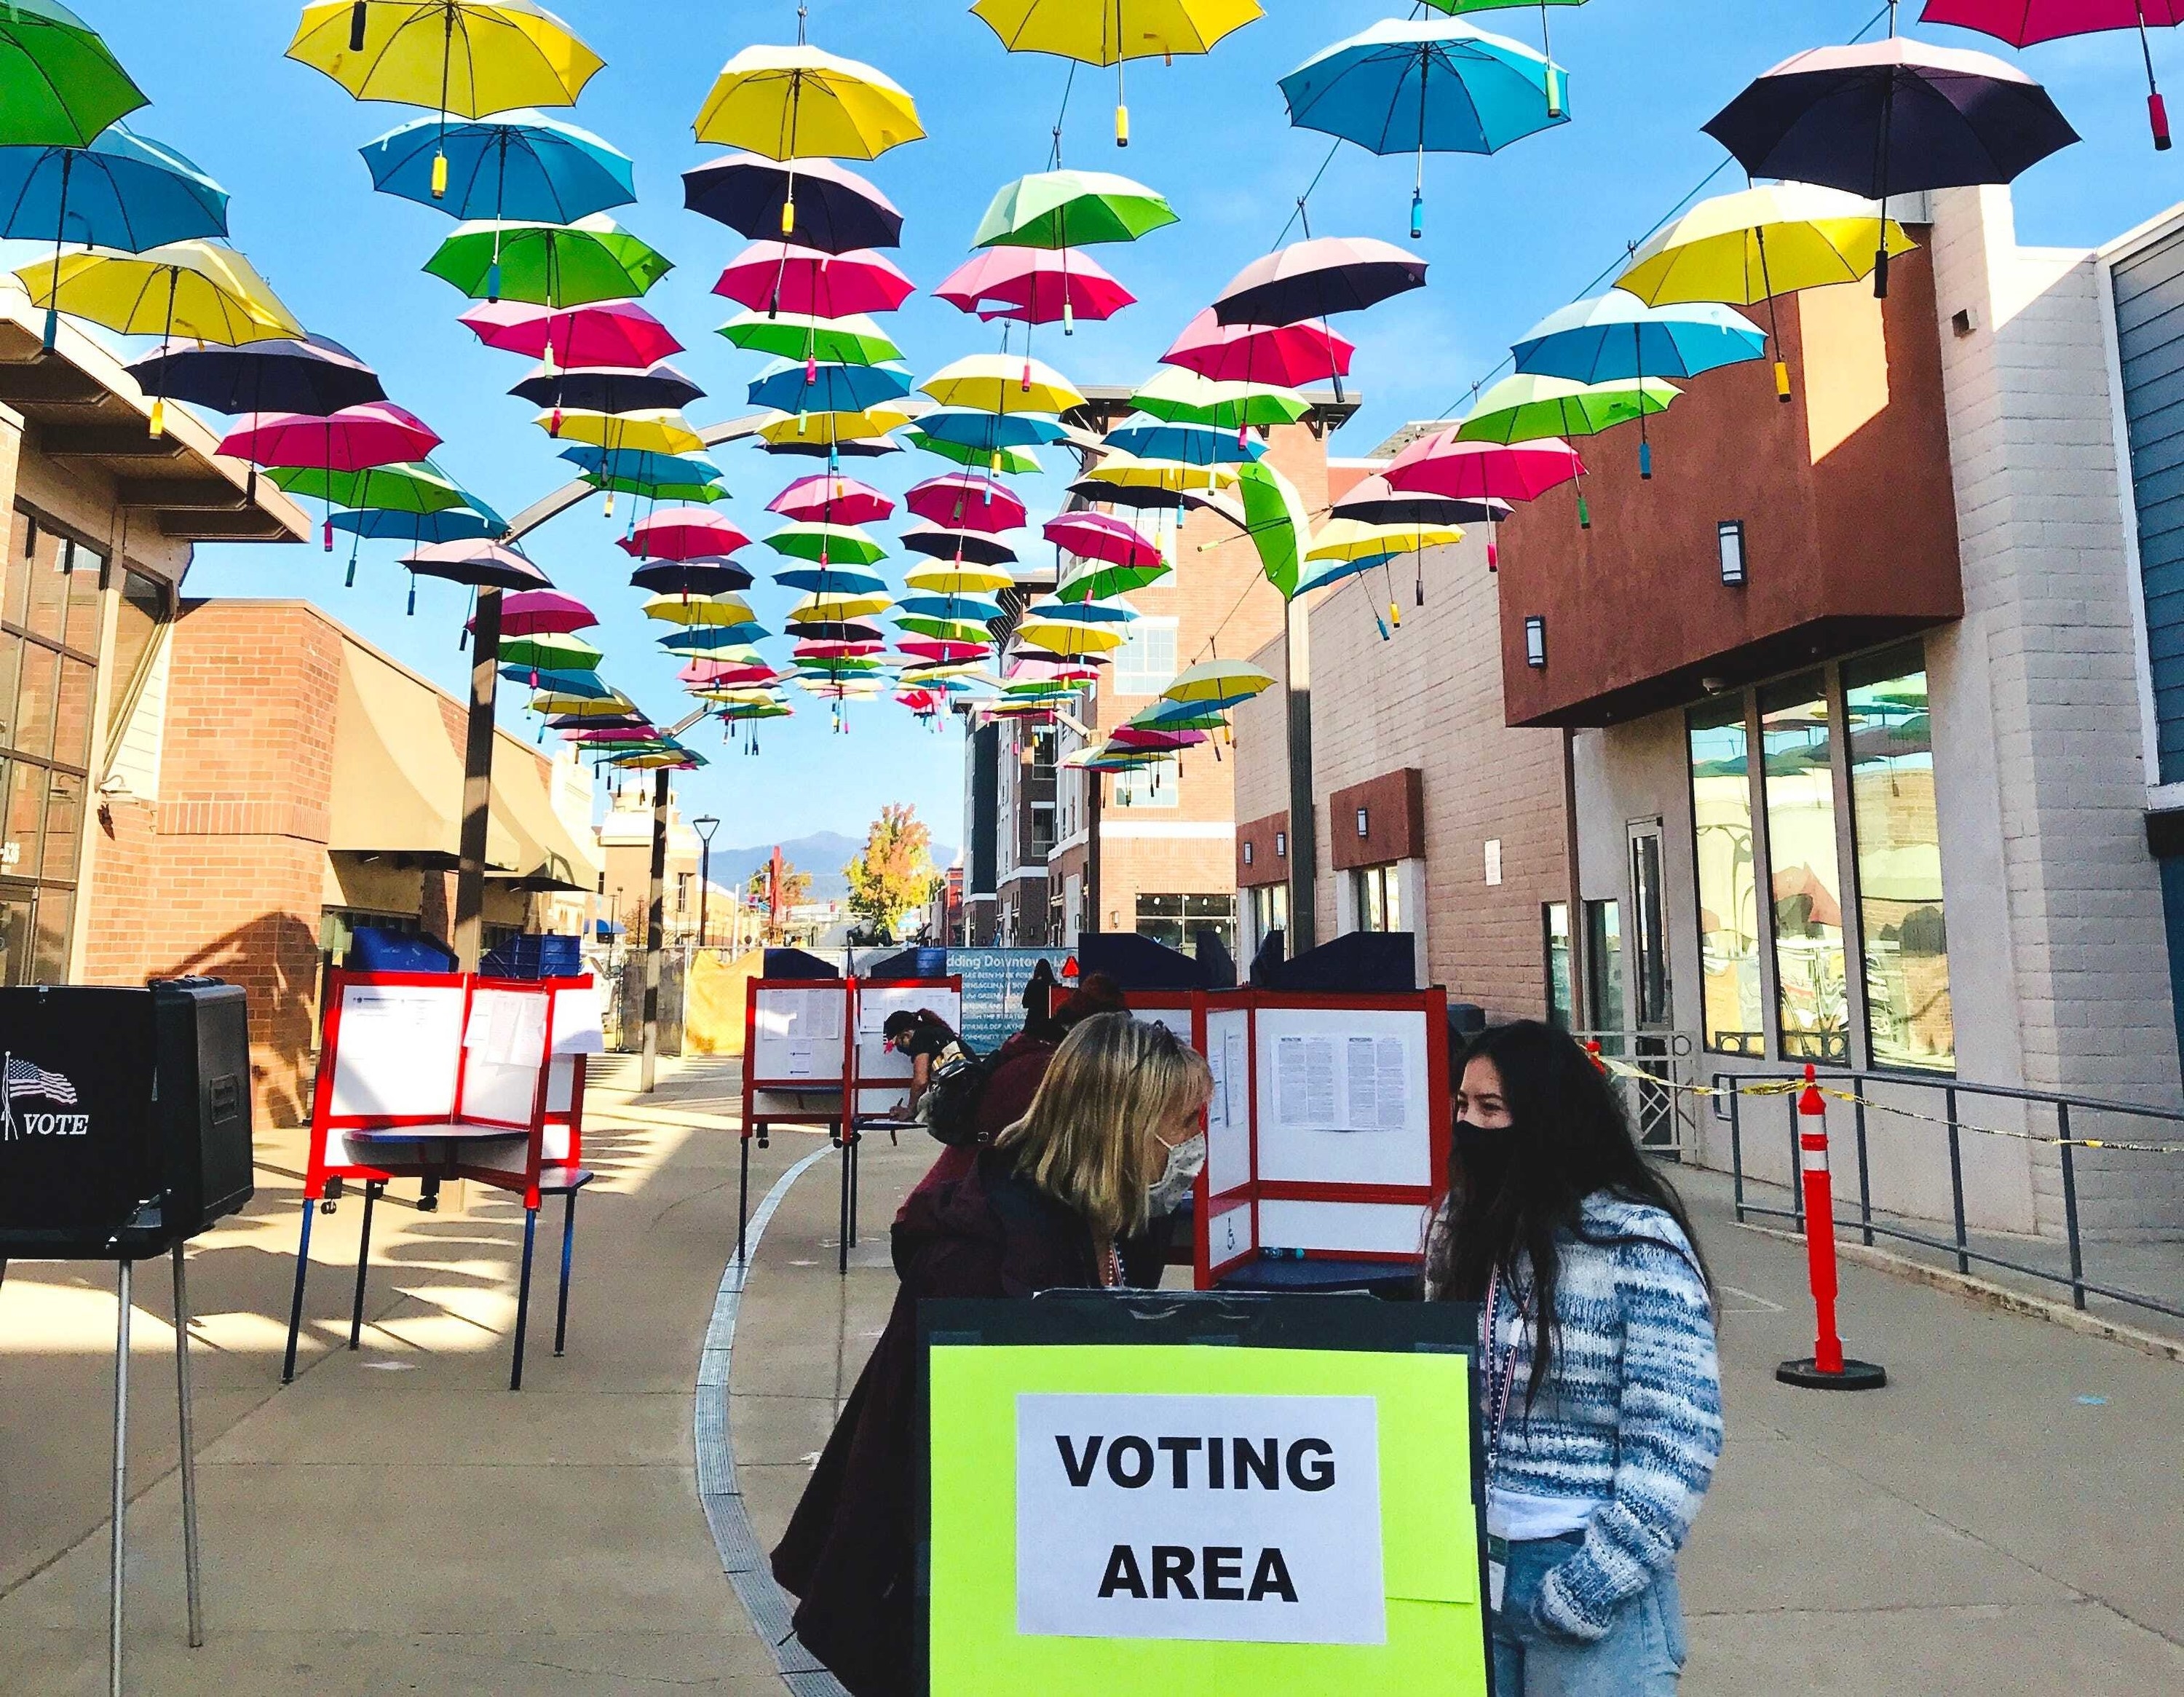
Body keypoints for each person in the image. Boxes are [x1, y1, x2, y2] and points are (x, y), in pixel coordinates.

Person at [773, 1013, 1213, 1697]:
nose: (1195, 1140)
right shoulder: (980, 1259)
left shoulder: (1111, 1221)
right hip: (968, 1592)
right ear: (1123, 1127)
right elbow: (942, 1469)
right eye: (1185, 1119)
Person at [1425, 1021, 1722, 1697]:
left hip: (1588, 1583)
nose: (1468, 1123)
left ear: (1546, 1118)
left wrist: (1591, 1585)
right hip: (1473, 1573)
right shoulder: (1459, 1226)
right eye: (1461, 1106)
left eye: (1490, 1108)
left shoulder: (1637, 1242)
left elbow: (1679, 1438)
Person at [879, 1006, 962, 1118]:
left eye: (898, 1043)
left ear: (906, 1035)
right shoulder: (935, 1033)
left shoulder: (921, 1037)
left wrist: (910, 1110)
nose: (900, 1049)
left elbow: (920, 1081)